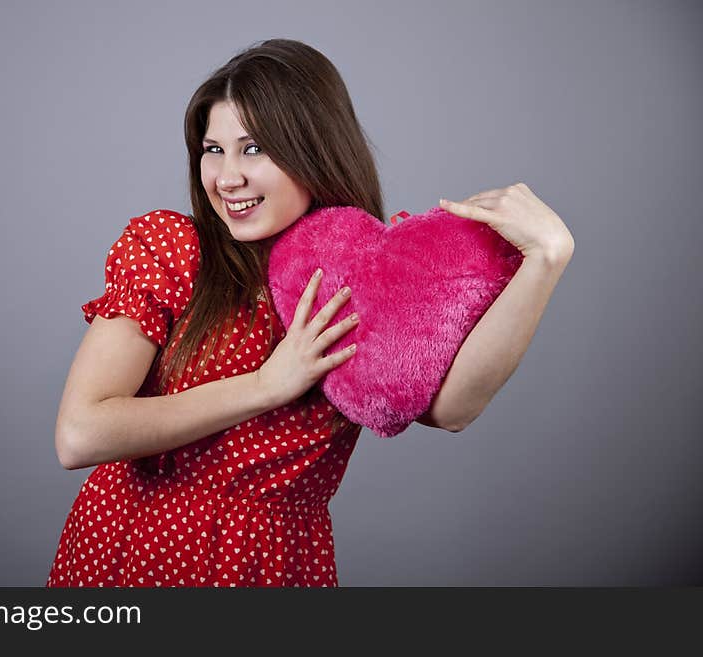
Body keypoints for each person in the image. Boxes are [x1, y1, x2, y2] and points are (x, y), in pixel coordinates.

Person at [46, 39, 575, 587]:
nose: (227, 178)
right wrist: (268, 384)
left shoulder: (362, 279)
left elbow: (451, 410)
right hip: (137, 551)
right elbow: (81, 434)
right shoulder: (173, 248)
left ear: (314, 151)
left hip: (279, 565)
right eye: (212, 149)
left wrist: (545, 260)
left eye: (253, 149)